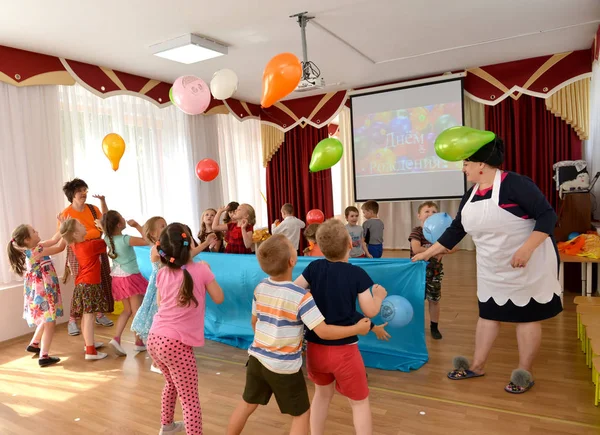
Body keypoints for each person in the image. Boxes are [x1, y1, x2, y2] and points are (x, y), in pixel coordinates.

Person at [413, 136, 562, 394]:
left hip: (527, 263)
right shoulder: (470, 194)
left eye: (466, 163)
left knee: (526, 318)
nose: (463, 168)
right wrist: (427, 254)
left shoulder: (516, 185)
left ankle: (524, 373)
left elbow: (548, 216)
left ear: (481, 164)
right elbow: (456, 230)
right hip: (491, 267)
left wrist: (526, 250)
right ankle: (478, 365)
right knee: (488, 315)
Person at [226, 234, 371, 435]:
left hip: (257, 359)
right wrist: (357, 329)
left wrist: (268, 342)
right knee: (301, 414)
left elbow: (254, 322)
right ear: (292, 261)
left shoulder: (260, 287)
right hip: (284, 368)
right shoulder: (301, 296)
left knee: (246, 404)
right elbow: (324, 332)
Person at [294, 219, 389, 435]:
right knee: (359, 403)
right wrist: (379, 296)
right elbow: (370, 311)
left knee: (321, 395)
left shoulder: (313, 267)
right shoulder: (357, 274)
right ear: (350, 244)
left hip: (315, 350)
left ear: (319, 245)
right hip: (345, 353)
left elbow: (294, 290)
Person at [147, 223, 224, 435]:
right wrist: (207, 272)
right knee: (190, 400)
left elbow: (162, 303)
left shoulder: (163, 273)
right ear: (189, 243)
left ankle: (167, 426)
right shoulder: (200, 270)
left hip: (155, 338)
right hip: (175, 344)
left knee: (171, 383)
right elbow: (219, 298)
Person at [7, 224, 66, 366]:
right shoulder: (37, 251)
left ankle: (34, 344)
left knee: (46, 319)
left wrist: (62, 227)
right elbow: (59, 247)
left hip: (43, 291)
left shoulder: (35, 248)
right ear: (27, 239)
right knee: (50, 322)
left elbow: (53, 240)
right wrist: (67, 234)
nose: (37, 231)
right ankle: (44, 356)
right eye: (34, 231)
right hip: (44, 292)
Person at [60, 178, 113, 335]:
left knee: (100, 282)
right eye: (79, 191)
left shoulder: (92, 208)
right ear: (72, 195)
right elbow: (65, 237)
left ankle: (98, 314)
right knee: (82, 288)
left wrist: (103, 201)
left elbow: (106, 220)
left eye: (85, 190)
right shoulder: (66, 214)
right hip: (79, 251)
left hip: (97, 247)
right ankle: (72, 320)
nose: (83, 193)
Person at [101, 210, 150, 356]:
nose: (124, 219)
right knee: (137, 311)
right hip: (130, 278)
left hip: (118, 277)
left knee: (127, 310)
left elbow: (106, 219)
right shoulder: (125, 239)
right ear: (119, 224)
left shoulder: (106, 238)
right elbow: (148, 240)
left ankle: (118, 338)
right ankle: (139, 341)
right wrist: (137, 225)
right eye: (122, 218)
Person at [60, 219, 110, 360]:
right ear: (75, 233)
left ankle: (89, 344)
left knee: (87, 316)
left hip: (82, 284)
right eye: (81, 225)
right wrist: (102, 227)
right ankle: (90, 351)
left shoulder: (74, 245)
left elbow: (66, 235)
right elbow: (108, 240)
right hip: (89, 284)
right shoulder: (91, 245)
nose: (85, 225)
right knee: (89, 317)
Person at [131, 216, 167, 373]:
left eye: (166, 225)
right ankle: (155, 362)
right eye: (161, 226)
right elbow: (171, 261)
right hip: (158, 286)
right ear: (153, 233)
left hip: (166, 285)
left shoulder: (163, 246)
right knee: (155, 321)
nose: (165, 227)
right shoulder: (157, 248)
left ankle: (161, 359)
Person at [409, 201, 449, 340]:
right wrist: (435, 251)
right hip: (417, 274)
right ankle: (415, 326)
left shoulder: (442, 233)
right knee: (416, 300)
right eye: (427, 211)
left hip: (435, 273)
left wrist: (443, 251)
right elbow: (416, 248)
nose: (430, 214)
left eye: (433, 212)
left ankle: (434, 326)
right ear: (419, 215)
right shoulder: (417, 231)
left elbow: (454, 247)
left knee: (434, 300)